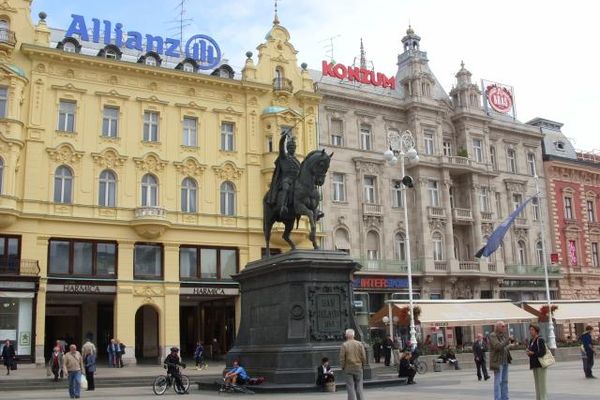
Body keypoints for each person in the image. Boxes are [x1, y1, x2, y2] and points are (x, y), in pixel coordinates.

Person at [265, 133, 301, 216]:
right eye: (291, 148)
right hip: (286, 179)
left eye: (294, 148)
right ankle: (283, 206)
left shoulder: (296, 160)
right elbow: (281, 147)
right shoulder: (284, 157)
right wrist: (283, 138)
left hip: (296, 180)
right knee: (286, 188)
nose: (293, 149)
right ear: (287, 149)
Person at [339, 328, 366, 400]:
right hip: (358, 367)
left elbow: (342, 358)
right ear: (354, 335)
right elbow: (363, 356)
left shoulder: (344, 345)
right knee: (359, 386)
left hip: (348, 368)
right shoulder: (360, 344)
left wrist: (342, 367)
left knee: (350, 387)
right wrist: (363, 365)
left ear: (346, 336)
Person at [489, 321, 514, 400]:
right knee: (498, 381)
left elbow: (504, 348)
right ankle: (498, 398)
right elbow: (498, 347)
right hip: (498, 362)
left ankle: (505, 398)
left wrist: (510, 346)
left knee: (505, 381)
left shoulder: (503, 336)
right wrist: (507, 340)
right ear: (497, 327)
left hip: (505, 360)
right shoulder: (493, 335)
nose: (504, 328)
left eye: (505, 326)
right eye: (502, 326)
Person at [527, 323, 548, 400]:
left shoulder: (540, 339)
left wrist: (533, 353)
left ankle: (543, 398)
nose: (530, 331)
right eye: (530, 330)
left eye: (532, 330)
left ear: (536, 331)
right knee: (537, 384)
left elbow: (543, 352)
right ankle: (538, 398)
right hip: (534, 364)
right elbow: (531, 350)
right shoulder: (531, 340)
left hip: (540, 364)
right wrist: (528, 352)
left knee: (542, 384)